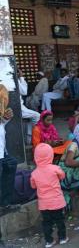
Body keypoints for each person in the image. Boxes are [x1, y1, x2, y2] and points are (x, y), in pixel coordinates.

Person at [30, 143, 68, 247]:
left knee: (47, 223)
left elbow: (33, 186)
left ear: (36, 157)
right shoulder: (55, 168)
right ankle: (63, 238)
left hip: (44, 204)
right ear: (50, 155)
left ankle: (49, 241)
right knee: (59, 220)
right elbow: (62, 176)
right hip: (56, 202)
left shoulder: (34, 173)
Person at [59, 123, 79, 207]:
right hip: (65, 172)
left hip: (74, 170)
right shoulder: (74, 145)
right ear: (78, 134)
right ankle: (72, 189)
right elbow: (68, 162)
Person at [0, 86, 18, 214]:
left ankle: (5, 203)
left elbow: (1, 125)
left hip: (2, 152)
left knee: (11, 164)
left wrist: (5, 118)